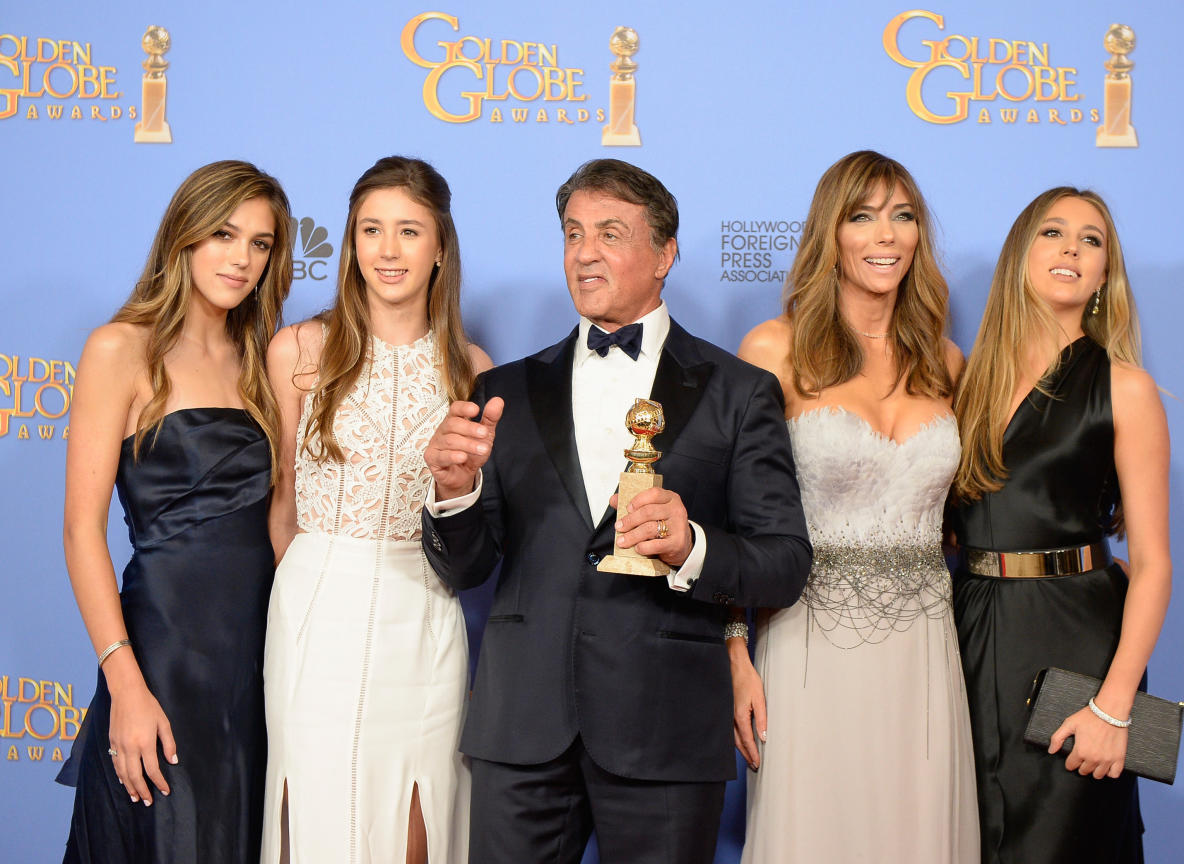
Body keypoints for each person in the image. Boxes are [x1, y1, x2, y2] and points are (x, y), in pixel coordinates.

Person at [420, 158, 810, 864]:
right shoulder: (501, 386)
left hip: (663, 727)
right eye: (573, 234)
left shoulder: (738, 391)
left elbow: (783, 562)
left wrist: (690, 544)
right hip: (522, 728)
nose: (585, 252)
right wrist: (454, 493)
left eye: (609, 233)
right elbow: (468, 568)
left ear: (665, 254)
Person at [731, 150, 979, 861]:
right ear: (830, 234)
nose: (886, 236)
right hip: (807, 645)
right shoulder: (774, 349)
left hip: (924, 651)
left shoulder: (946, 361)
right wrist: (733, 652)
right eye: (863, 216)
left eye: (902, 217)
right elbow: (731, 513)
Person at [57, 161, 293, 862]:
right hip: (163, 659)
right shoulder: (120, 348)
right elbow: (80, 531)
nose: (242, 258)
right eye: (224, 233)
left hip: (258, 662)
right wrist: (124, 684)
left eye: (261, 244)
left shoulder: (264, 361)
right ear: (183, 237)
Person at [260, 156, 488, 864]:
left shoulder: (471, 368)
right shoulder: (299, 350)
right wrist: (306, 591)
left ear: (440, 246)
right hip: (315, 605)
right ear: (352, 242)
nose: (388, 251)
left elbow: (471, 521)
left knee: (417, 810)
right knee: (313, 805)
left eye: (409, 231)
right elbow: (283, 500)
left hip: (422, 608)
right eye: (371, 230)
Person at [949, 187, 1170, 863]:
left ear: (1106, 275)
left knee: (1067, 835)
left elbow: (1154, 565)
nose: (1072, 247)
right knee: (970, 833)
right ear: (1022, 254)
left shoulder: (1125, 386)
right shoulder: (964, 379)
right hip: (969, 627)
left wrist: (1114, 705)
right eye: (1052, 232)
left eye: (1092, 239)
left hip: (1075, 636)